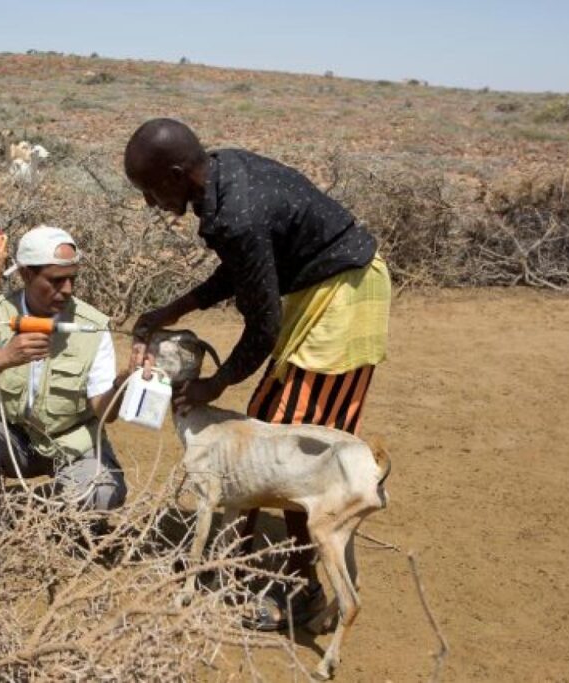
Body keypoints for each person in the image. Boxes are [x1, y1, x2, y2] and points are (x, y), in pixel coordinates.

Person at [124, 118, 391, 630]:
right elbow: (242, 269)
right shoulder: (221, 177)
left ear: (178, 174)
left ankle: (302, 589)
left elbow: (263, 324)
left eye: (152, 191)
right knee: (270, 422)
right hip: (321, 289)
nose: (151, 204)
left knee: (286, 437)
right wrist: (175, 310)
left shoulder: (236, 213)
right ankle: (238, 563)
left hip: (346, 298)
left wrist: (214, 383)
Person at [0, 225, 128, 525]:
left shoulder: (92, 326)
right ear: (26, 274)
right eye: (55, 280)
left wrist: (123, 384)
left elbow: (105, 412)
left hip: (71, 444)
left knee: (100, 493)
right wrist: (4, 357)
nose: (67, 289)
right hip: (11, 436)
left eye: (72, 279)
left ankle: (42, 503)